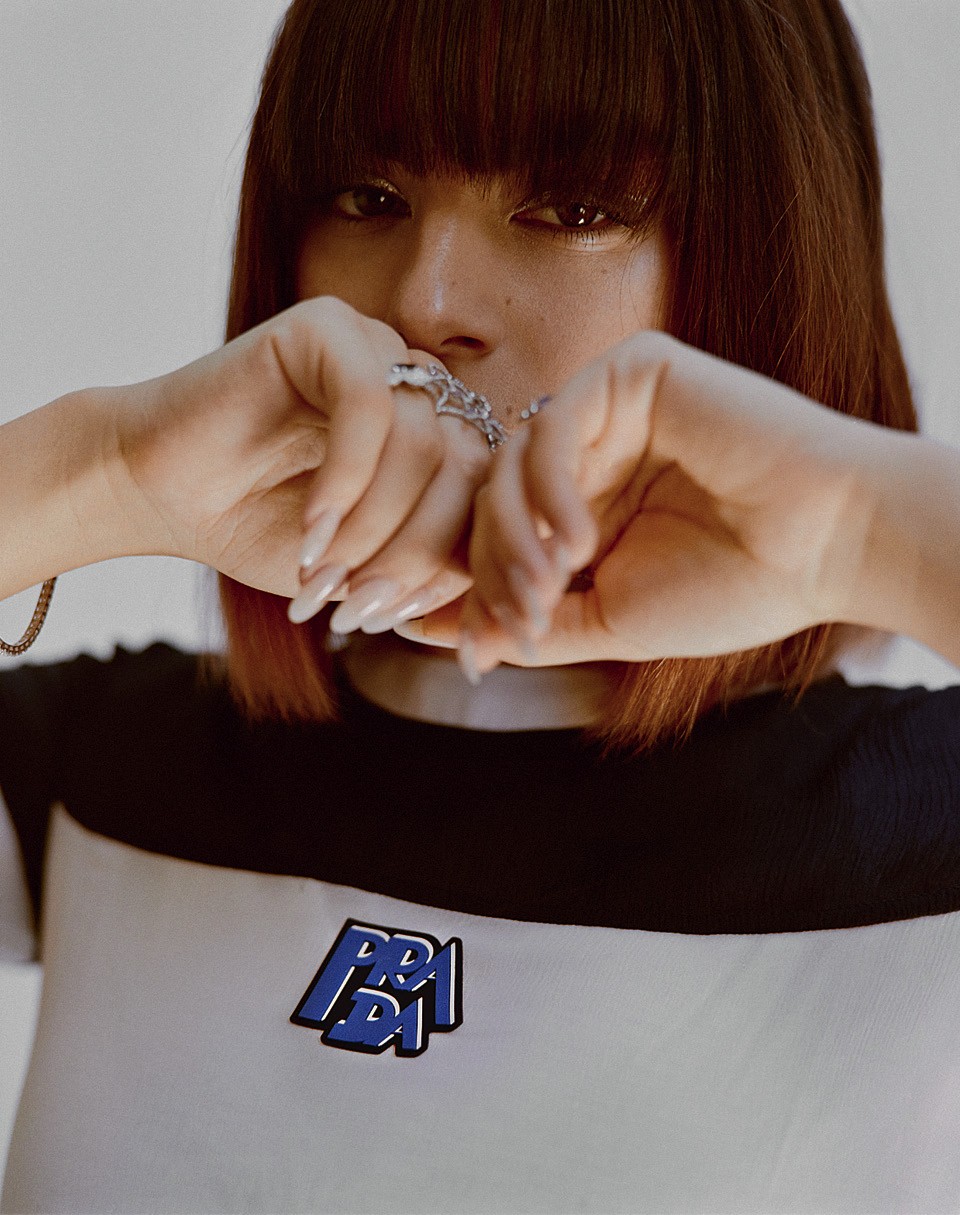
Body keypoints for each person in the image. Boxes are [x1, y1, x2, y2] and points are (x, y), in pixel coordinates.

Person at [1, 0, 958, 1211]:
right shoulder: (105, 773)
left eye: (574, 208)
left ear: (770, 260)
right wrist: (102, 473)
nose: (425, 299)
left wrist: (865, 534)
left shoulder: (921, 842)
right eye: (366, 197)